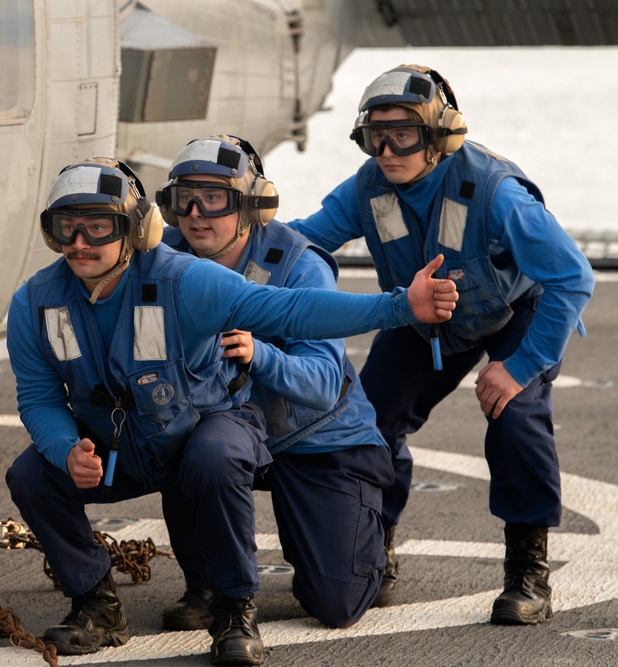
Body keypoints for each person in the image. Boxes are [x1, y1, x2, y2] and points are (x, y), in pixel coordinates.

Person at [4, 156, 457, 666]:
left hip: (212, 431)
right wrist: (67, 451)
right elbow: (39, 397)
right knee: (30, 474)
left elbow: (293, 310)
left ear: (134, 229)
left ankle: (234, 607)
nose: (80, 242)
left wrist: (399, 306)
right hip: (125, 445)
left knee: (218, 459)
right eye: (67, 227)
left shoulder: (185, 280)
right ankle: (96, 603)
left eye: (97, 226)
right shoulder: (35, 304)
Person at [290, 64, 595, 625]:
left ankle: (527, 569)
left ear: (439, 135)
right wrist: (210, 252)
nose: (384, 150)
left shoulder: (496, 191)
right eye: (373, 135)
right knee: (368, 419)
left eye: (401, 133)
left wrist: (520, 365)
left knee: (516, 415)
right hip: (425, 318)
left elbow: (572, 277)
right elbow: (299, 241)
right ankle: (371, 549)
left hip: (512, 311)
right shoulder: (367, 188)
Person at [154, 134, 393, 631]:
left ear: (251, 205)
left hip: (316, 436)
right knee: (186, 443)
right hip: (229, 427)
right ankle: (207, 584)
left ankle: (373, 541)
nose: (196, 213)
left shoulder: (300, 265)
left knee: (334, 604)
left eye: (214, 198)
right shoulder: (162, 258)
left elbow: (326, 383)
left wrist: (261, 355)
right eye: (184, 199)